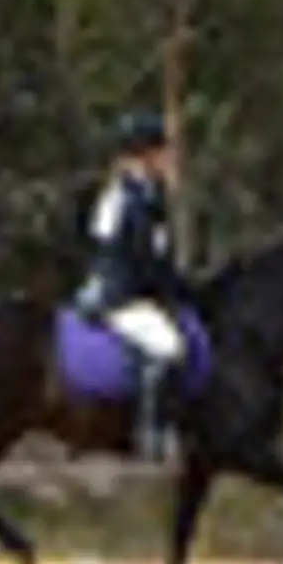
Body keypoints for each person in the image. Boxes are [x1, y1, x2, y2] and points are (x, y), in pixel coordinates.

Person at [74, 110, 191, 461]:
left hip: (133, 289)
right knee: (169, 349)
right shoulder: (125, 198)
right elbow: (137, 257)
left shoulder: (146, 194)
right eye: (163, 152)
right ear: (146, 155)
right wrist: (169, 289)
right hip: (121, 295)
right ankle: (151, 432)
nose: (169, 159)